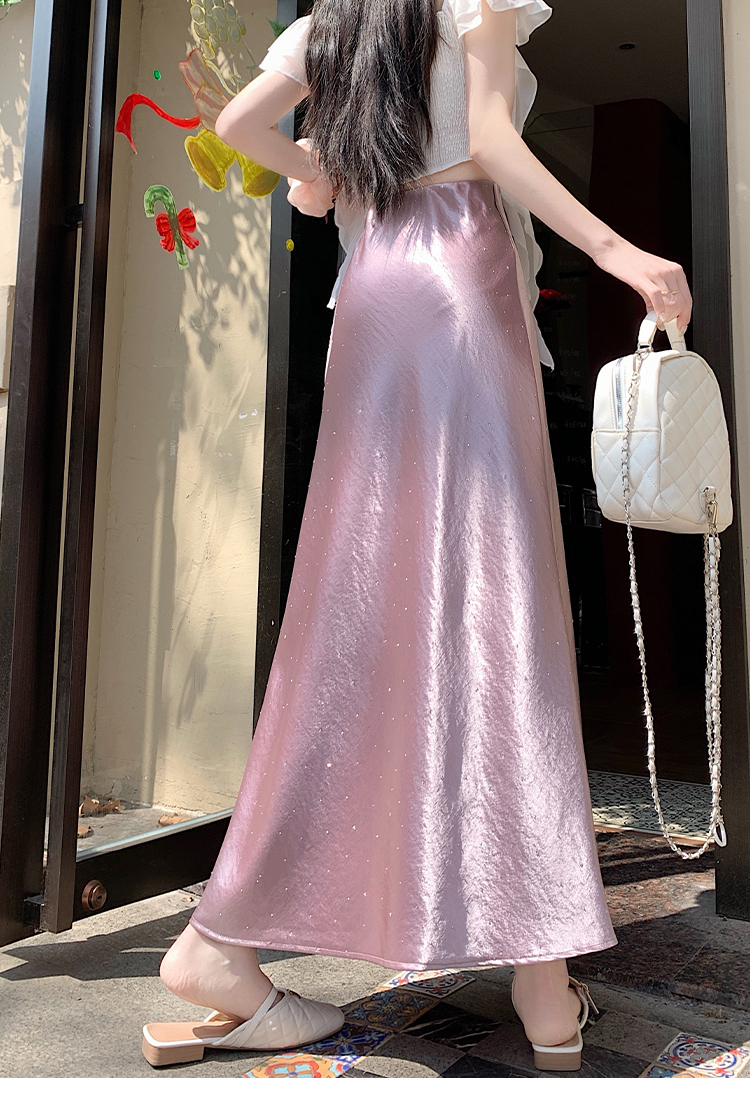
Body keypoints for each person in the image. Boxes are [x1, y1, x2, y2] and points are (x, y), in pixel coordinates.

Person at [142, 0, 691, 1071]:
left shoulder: (333, 20)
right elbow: (488, 143)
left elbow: (243, 125)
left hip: (376, 291)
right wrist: (621, 251)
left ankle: (222, 945)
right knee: (496, 594)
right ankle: (541, 980)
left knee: (358, 605)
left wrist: (321, 170)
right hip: (458, 278)